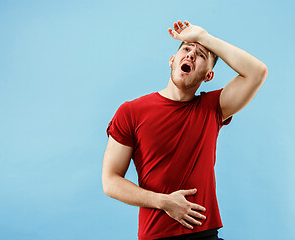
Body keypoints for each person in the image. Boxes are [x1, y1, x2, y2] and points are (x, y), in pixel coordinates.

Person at [102, 20, 268, 240]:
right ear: (172, 60)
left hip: (205, 234)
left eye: (200, 55)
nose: (191, 54)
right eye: (186, 49)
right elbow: (110, 181)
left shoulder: (213, 108)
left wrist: (203, 37)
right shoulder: (130, 111)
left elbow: (257, 72)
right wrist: (163, 202)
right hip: (156, 236)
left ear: (208, 75)